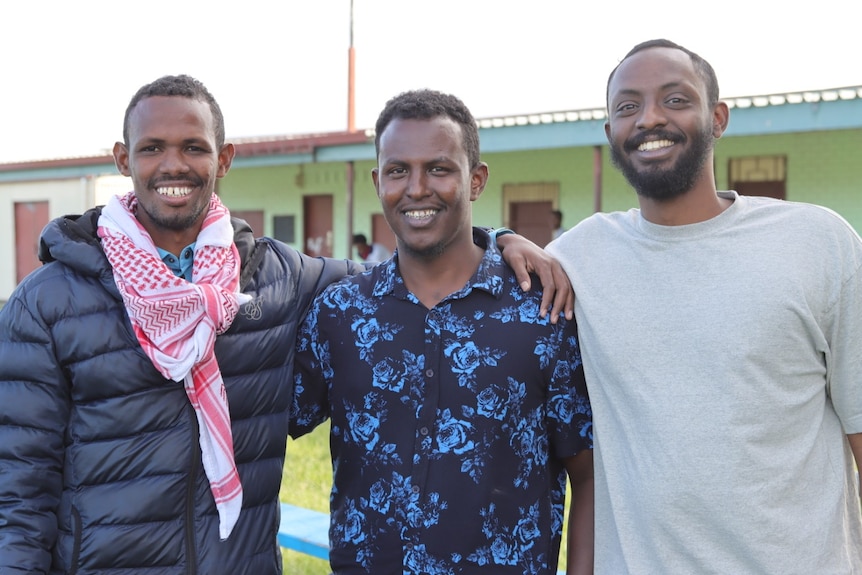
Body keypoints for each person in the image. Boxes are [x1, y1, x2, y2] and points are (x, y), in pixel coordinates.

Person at [0, 75, 573, 574]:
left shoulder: (276, 279)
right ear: (124, 159)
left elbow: (416, 267)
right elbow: (17, 492)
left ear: (222, 160)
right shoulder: (48, 303)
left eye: (194, 147)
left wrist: (496, 241)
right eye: (153, 148)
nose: (174, 165)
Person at [547, 39, 862, 574]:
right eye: (627, 107)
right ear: (610, 134)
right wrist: (503, 237)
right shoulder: (580, 256)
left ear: (717, 118)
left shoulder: (818, 243)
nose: (649, 119)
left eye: (675, 100)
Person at [290, 89, 594, 575]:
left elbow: (589, 474)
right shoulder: (339, 313)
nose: (416, 188)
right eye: (397, 170)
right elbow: (262, 424)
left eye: (439, 168)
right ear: (377, 181)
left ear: (476, 180)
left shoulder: (544, 312)